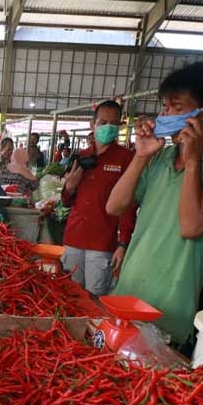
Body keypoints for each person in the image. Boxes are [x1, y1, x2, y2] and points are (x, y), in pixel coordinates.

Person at [106, 62, 203, 348]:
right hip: (128, 296)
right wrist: (141, 156)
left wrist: (193, 160)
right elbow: (114, 206)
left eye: (175, 107)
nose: (164, 116)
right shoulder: (161, 157)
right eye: (164, 108)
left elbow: (192, 227)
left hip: (170, 313)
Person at [60, 100, 136, 296]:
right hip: (74, 237)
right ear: (92, 125)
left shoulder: (126, 159)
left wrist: (123, 244)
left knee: (95, 298)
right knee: (68, 294)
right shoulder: (81, 157)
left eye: (113, 123)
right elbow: (67, 200)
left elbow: (128, 205)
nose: (108, 127)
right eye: (103, 122)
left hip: (103, 243)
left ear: (119, 125)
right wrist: (69, 187)